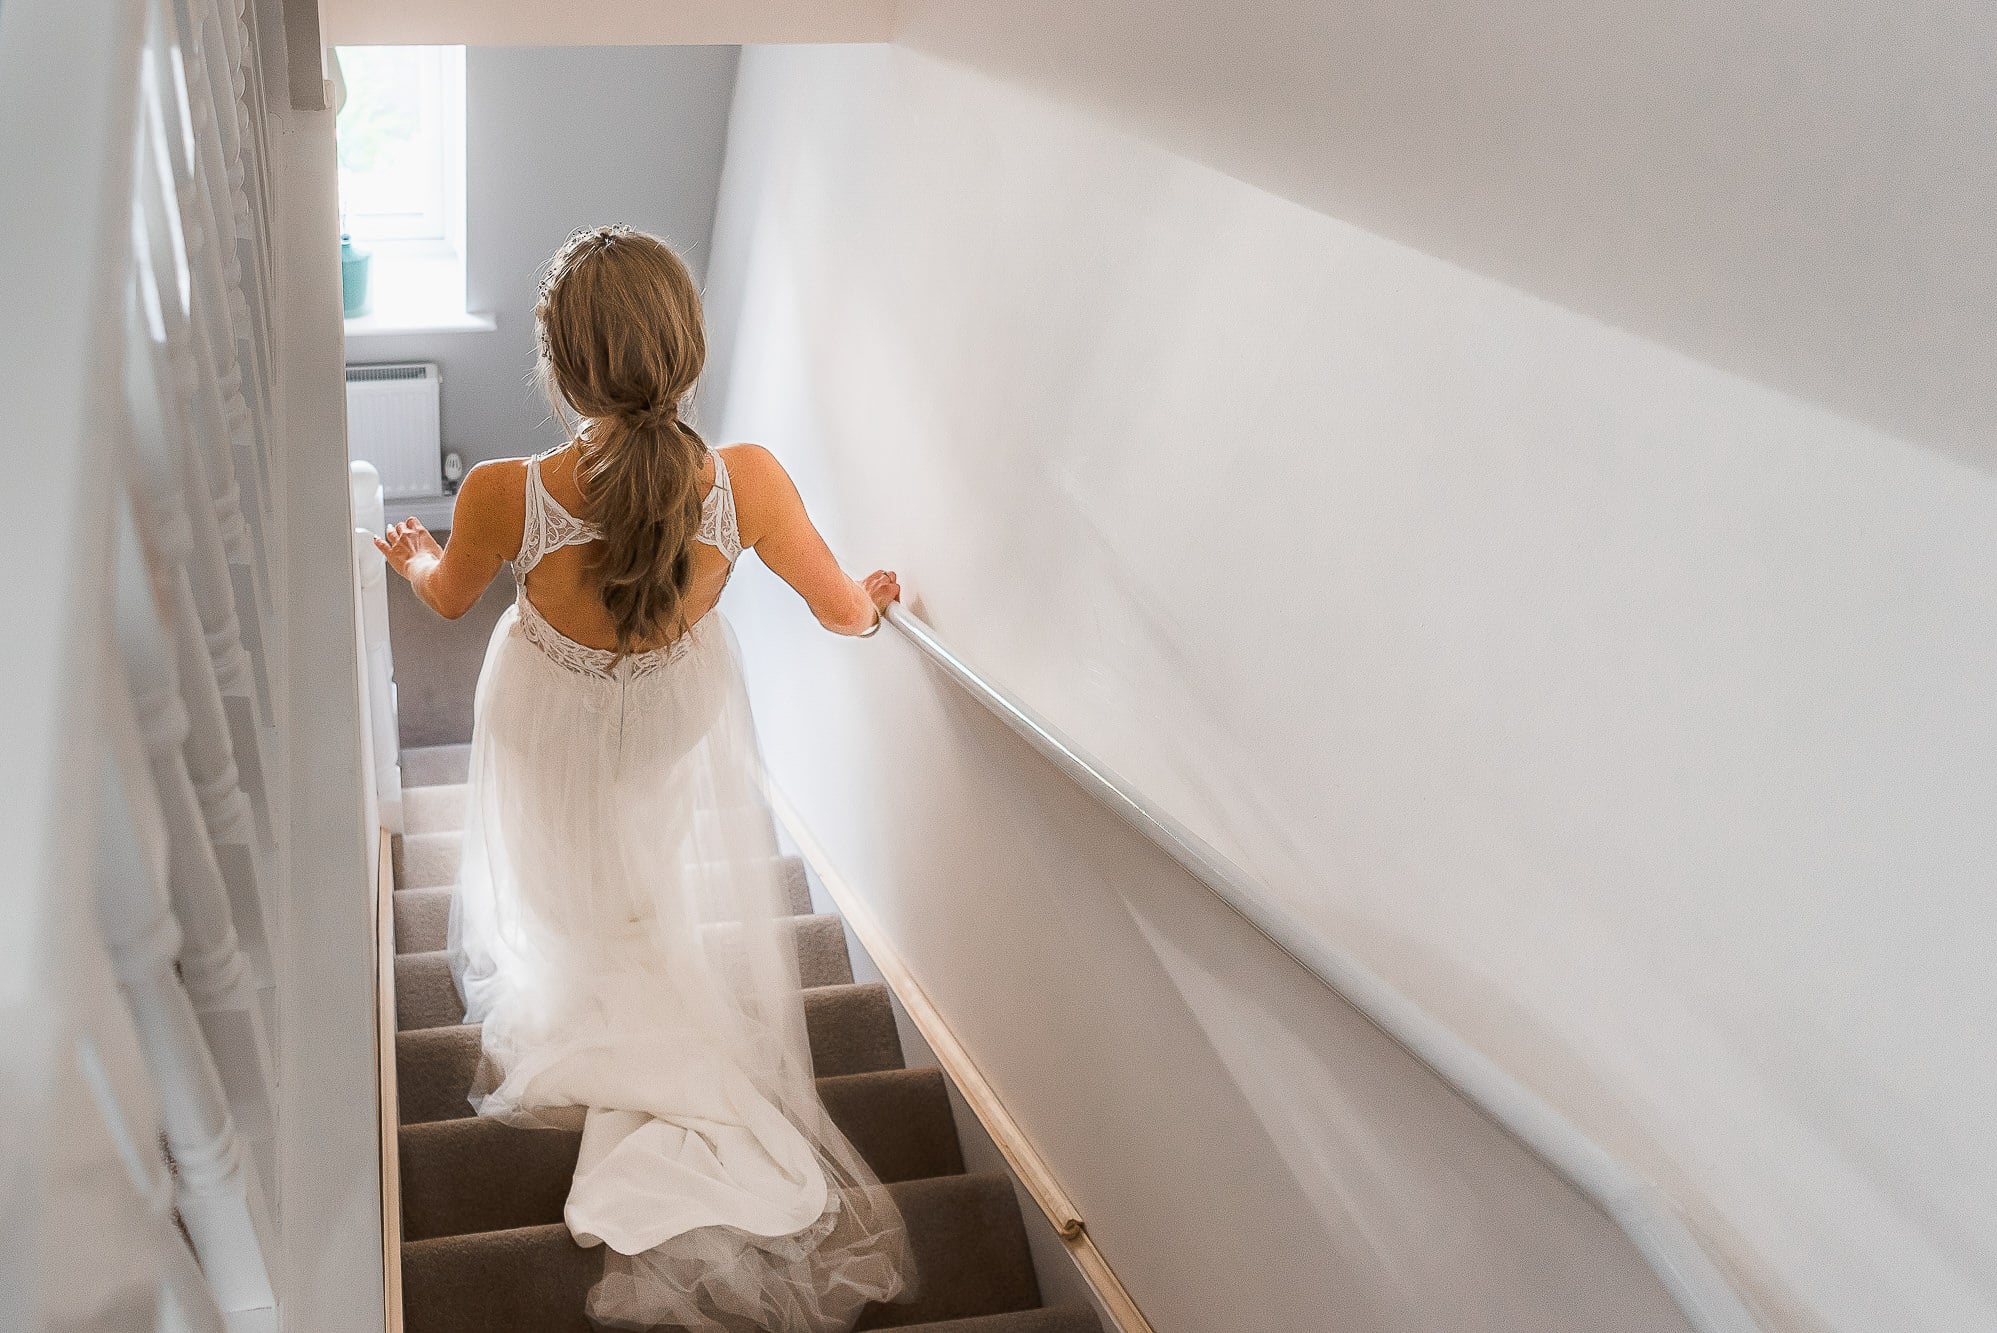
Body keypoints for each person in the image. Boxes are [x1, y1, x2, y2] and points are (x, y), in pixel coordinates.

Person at [373, 223, 914, 1332]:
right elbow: (842, 612)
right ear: (689, 346)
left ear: (559, 364)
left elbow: (443, 602)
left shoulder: (499, 490)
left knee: (560, 847)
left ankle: (581, 973)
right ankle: (632, 962)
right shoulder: (748, 482)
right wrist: (873, 598)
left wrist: (414, 555)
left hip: (543, 713)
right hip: (670, 713)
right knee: (638, 836)